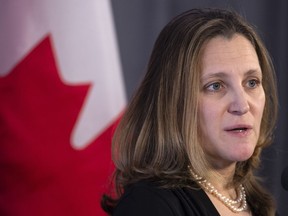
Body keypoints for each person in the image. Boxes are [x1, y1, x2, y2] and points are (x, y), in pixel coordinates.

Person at [101, 8, 278, 216]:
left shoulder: (257, 203)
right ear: (174, 102)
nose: (242, 105)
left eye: (252, 82)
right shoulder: (149, 205)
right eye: (215, 86)